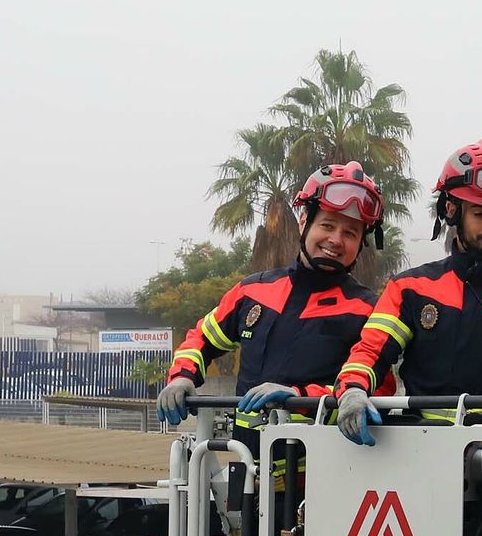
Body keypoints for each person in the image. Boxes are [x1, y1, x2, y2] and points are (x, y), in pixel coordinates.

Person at [333, 139, 482, 445]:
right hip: (416, 455)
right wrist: (352, 389)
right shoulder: (409, 289)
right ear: (452, 210)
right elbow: (370, 352)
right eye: (480, 214)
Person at [157, 162, 393, 446]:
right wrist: (182, 377)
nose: (336, 240)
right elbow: (201, 338)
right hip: (248, 474)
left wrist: (298, 397)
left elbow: (379, 393)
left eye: (350, 233)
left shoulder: (369, 310)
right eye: (328, 225)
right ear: (304, 220)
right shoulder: (253, 291)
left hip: (325, 477)